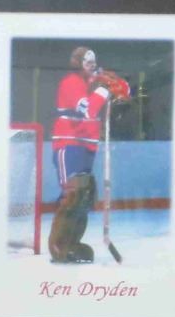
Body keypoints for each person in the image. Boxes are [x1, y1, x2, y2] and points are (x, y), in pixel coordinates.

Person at [48, 45, 130, 264]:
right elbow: (89, 110)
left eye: (94, 62)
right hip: (69, 143)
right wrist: (104, 89)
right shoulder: (71, 82)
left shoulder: (94, 81)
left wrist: (118, 86)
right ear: (78, 64)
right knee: (72, 194)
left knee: (84, 196)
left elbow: (124, 93)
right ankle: (59, 247)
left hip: (88, 146)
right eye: (88, 62)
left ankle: (72, 243)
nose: (92, 66)